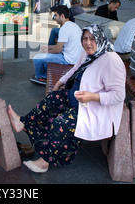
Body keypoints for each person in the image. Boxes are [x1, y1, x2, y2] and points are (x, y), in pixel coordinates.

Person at [8, 24, 126, 173]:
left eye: (92, 39)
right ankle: (22, 123)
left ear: (100, 38)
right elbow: (75, 69)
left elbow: (119, 95)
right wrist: (59, 82)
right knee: (51, 100)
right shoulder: (88, 52)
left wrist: (92, 97)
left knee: (62, 123)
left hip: (93, 108)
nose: (88, 43)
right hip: (75, 97)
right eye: (85, 39)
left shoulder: (111, 61)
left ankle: (45, 162)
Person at [30, 6, 83, 85]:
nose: (54, 18)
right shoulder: (73, 25)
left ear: (62, 16)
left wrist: (47, 50)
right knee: (46, 55)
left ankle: (42, 77)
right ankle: (45, 74)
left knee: (37, 58)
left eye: (56, 15)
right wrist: (48, 48)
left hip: (68, 59)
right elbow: (59, 46)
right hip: (74, 57)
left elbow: (58, 50)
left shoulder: (64, 28)